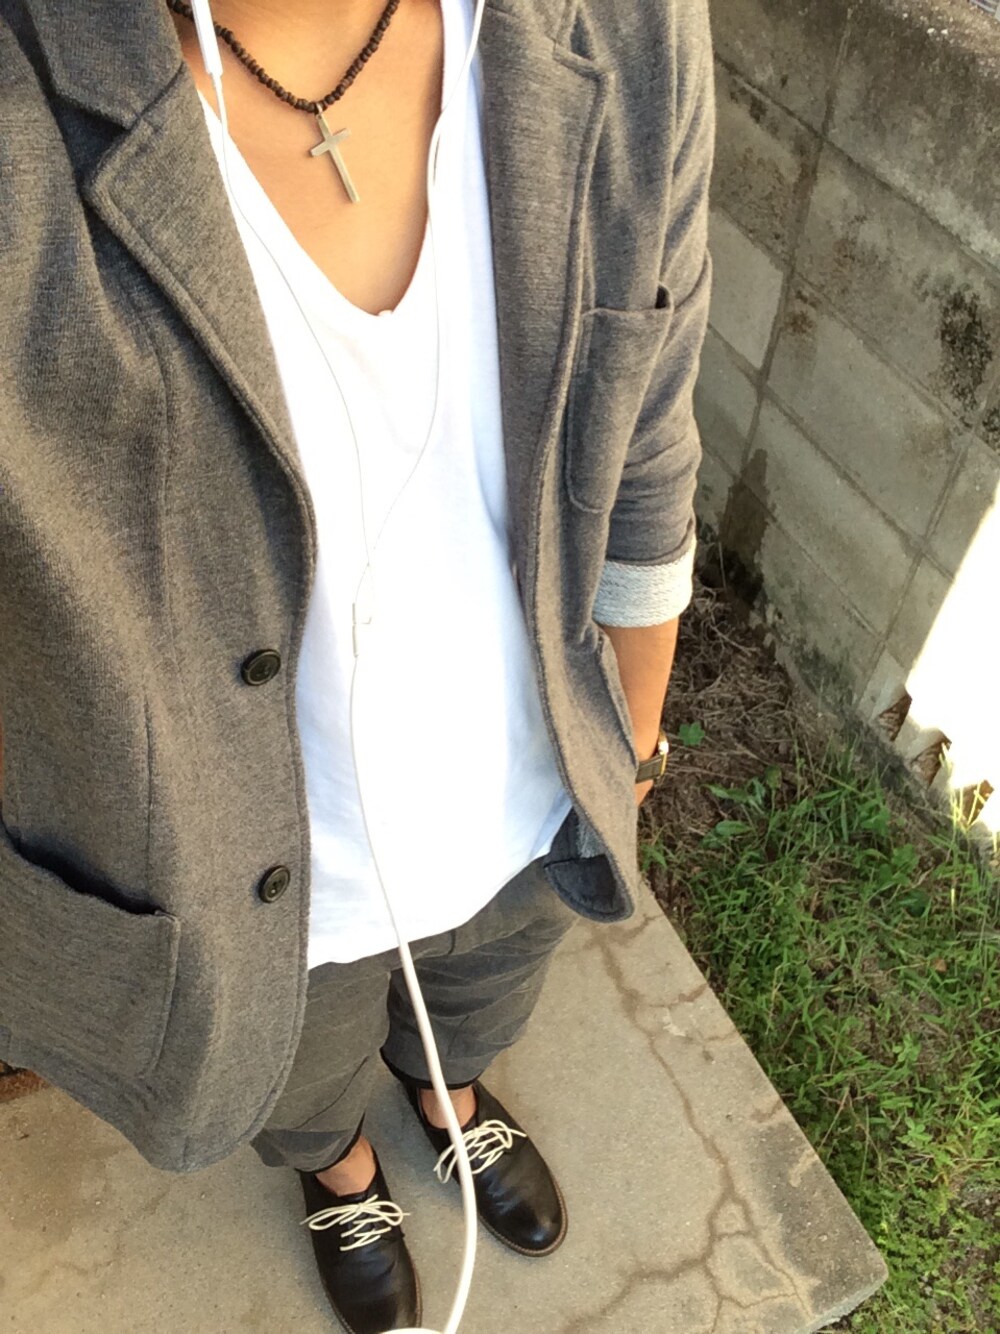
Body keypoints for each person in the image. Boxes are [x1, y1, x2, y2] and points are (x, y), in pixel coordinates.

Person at [0, 0, 715, 1329]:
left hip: (531, 786)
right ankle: (340, 1168)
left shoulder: (627, 28)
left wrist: (633, 725)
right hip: (257, 879)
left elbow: (650, 421)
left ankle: (452, 1092)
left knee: (487, 985)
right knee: (299, 1069)